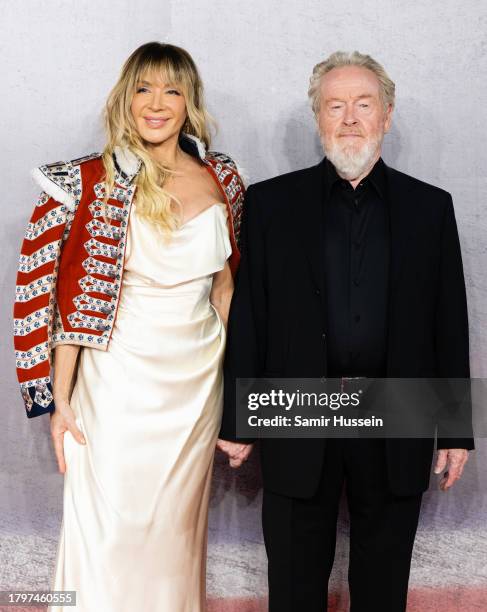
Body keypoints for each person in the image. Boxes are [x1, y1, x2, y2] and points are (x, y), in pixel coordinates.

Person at [218, 51, 473, 611]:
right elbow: (250, 314)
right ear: (319, 118)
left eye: (364, 104)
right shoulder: (271, 204)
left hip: (395, 409)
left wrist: (455, 430)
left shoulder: (430, 208)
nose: (350, 118)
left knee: (383, 588)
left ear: (386, 115)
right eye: (336, 105)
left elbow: (448, 320)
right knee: (294, 583)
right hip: (299, 406)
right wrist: (237, 418)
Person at [13, 41, 245, 611]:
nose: (158, 103)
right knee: (108, 534)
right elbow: (65, 300)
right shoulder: (88, 180)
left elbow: (227, 290)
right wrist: (60, 400)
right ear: (125, 97)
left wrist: (238, 393)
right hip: (115, 382)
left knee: (174, 536)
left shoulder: (225, 180)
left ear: (190, 101)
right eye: (144, 88)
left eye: (172, 88)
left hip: (196, 387)